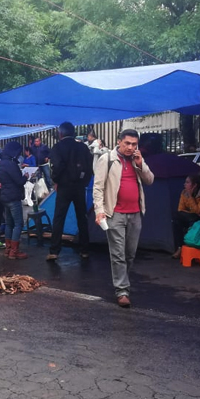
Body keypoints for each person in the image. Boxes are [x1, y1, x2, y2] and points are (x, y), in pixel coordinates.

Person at [93, 129, 155, 307]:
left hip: (135, 213)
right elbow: (98, 187)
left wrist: (141, 164)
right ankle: (122, 291)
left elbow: (150, 180)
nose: (130, 147)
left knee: (130, 253)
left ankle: (122, 282)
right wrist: (99, 210)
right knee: (118, 254)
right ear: (119, 142)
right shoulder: (108, 159)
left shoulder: (136, 159)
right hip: (115, 213)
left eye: (134, 144)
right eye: (127, 143)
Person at [47, 122, 93, 261]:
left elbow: (57, 166)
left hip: (64, 187)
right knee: (82, 217)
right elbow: (89, 166)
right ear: (73, 133)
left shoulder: (57, 147)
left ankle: (54, 251)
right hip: (79, 187)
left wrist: (56, 181)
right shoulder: (82, 147)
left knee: (59, 218)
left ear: (60, 133)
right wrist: (84, 182)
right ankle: (85, 250)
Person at [171, 173, 200, 259]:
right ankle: (180, 247)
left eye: (187, 182)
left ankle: (191, 249)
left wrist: (190, 197)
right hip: (192, 216)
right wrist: (192, 213)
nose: (185, 184)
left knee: (191, 222)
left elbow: (198, 210)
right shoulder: (184, 193)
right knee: (176, 220)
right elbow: (180, 210)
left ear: (194, 185)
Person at [0, 141, 28, 259]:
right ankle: (14, 251)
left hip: (5, 196)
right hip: (13, 197)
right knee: (18, 223)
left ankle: (8, 249)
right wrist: (25, 177)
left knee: (9, 223)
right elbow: (19, 181)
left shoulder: (1, 163)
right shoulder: (11, 164)